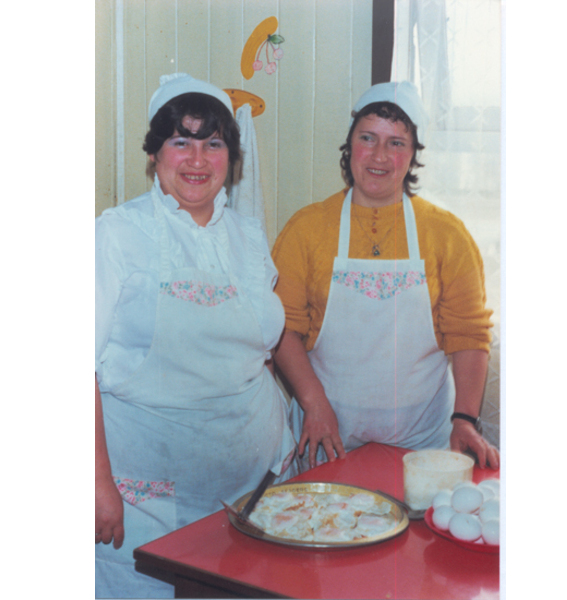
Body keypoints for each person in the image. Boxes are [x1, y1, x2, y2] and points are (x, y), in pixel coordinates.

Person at [95, 73, 296, 598]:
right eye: (180, 141)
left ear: (231, 156)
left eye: (213, 143)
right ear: (155, 154)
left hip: (256, 493)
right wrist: (95, 484)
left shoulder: (248, 236)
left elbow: (265, 348)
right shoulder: (116, 234)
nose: (197, 159)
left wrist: (310, 404)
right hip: (147, 504)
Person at [271, 81, 500, 473]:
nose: (379, 155)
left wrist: (464, 420)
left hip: (423, 440)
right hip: (327, 435)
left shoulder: (447, 234)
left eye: (396, 143)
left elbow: (468, 334)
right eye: (368, 138)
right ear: (349, 146)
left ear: (413, 156)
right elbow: (281, 329)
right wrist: (314, 404)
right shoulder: (306, 229)